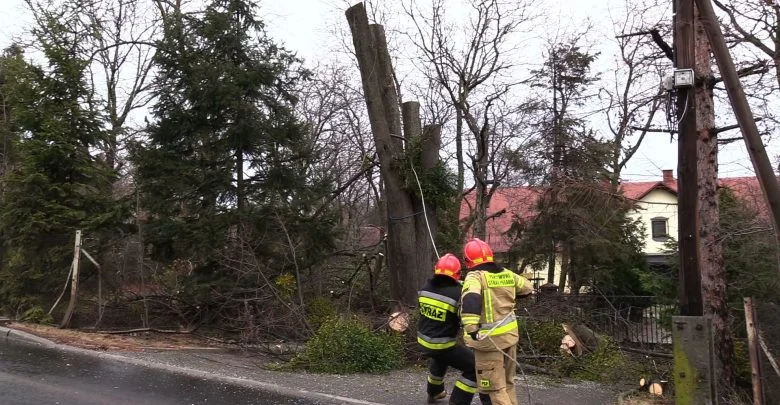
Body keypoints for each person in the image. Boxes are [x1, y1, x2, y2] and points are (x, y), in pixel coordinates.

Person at [460, 238, 533, 405]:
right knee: (508, 383)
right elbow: (528, 288)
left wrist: (471, 328)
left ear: (467, 261)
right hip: (510, 337)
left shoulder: (475, 276)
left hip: (489, 341)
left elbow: (471, 299)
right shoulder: (506, 273)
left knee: (495, 388)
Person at [417, 253, 485, 405]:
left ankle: (434, 393)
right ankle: (458, 401)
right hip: (442, 344)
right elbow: (465, 317)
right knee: (474, 368)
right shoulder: (457, 294)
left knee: (441, 358)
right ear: (457, 274)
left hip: (423, 340)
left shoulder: (425, 288)